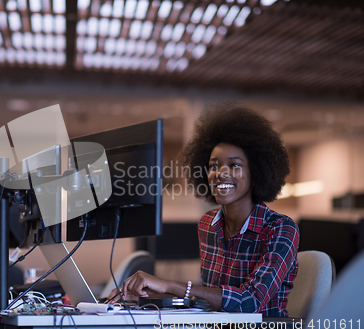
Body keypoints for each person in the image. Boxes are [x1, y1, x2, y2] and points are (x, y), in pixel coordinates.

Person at [108, 102, 299, 317]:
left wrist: (170, 284)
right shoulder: (208, 224)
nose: (220, 173)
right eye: (214, 166)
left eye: (234, 165)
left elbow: (249, 302)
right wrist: (146, 296)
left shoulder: (281, 229)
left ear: (256, 173)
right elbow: (207, 299)